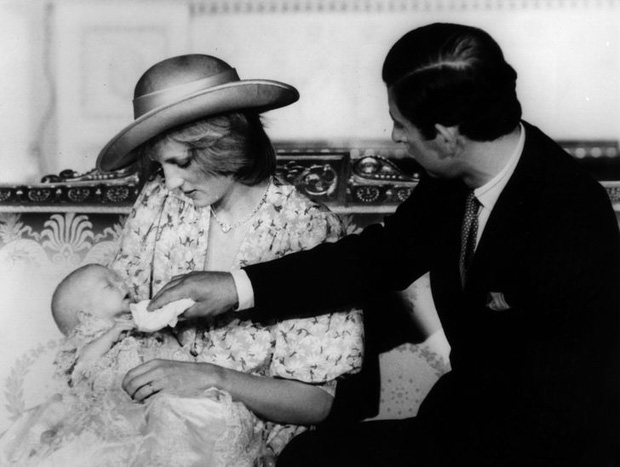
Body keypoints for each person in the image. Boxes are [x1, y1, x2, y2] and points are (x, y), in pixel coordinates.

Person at [146, 23, 620, 466]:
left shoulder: (571, 216)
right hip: (463, 421)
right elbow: (375, 259)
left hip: (538, 446)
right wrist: (235, 286)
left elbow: (567, 407)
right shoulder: (453, 180)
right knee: (307, 457)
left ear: (446, 136)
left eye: (401, 124)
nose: (394, 137)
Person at [95, 54, 365, 461]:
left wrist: (210, 378)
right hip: (148, 421)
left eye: (182, 162)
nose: (171, 182)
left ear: (227, 143)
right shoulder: (158, 202)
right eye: (161, 165)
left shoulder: (305, 230)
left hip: (244, 443)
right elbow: (117, 320)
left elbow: (316, 403)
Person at [0, 263, 263, 466]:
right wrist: (112, 333)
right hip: (112, 404)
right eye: (109, 285)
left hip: (153, 396)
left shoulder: (139, 325)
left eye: (118, 278)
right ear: (86, 315)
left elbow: (173, 355)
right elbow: (81, 366)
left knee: (177, 425)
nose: (121, 283)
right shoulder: (90, 336)